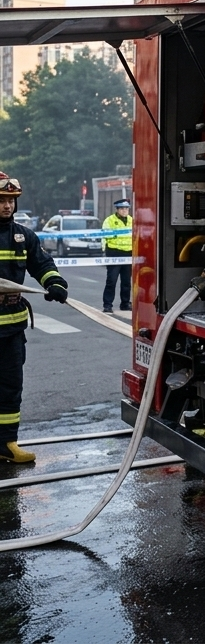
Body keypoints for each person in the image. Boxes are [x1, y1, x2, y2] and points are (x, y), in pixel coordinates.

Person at [0, 172, 69, 464]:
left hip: (12, 328)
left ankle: (6, 443)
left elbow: (41, 264)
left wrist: (55, 283)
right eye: (1, 200)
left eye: (11, 201)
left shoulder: (23, 235)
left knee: (10, 387)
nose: (7, 206)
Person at [102, 198, 133, 313]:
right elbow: (105, 235)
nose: (125, 211)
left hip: (128, 253)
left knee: (126, 282)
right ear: (117, 209)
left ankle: (125, 303)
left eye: (126, 208)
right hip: (114, 252)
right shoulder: (109, 220)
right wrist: (104, 250)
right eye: (122, 209)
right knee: (112, 280)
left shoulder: (131, 220)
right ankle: (107, 305)